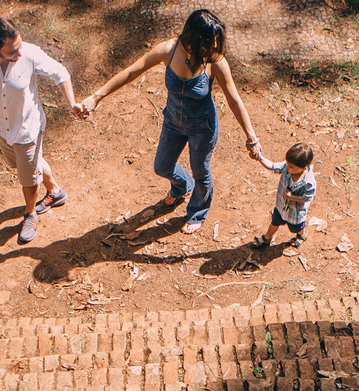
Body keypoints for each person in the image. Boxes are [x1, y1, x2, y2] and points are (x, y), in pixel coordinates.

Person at [81, 9, 262, 234]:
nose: (214, 50)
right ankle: (182, 185)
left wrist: (251, 137)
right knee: (162, 166)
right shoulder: (168, 49)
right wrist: (96, 97)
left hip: (202, 127)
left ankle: (198, 211)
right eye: (209, 44)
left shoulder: (215, 63)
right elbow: (131, 72)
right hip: (173, 122)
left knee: (201, 171)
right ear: (194, 40)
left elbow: (234, 100)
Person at [0, 17, 85, 244]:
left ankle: (30, 215)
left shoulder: (28, 53)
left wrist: (72, 104)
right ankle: (55, 191)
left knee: (28, 180)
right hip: (2, 130)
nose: (19, 54)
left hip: (28, 129)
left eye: (19, 47)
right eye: (11, 52)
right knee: (26, 164)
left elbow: (60, 73)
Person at [252, 143, 316, 249]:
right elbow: (272, 166)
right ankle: (267, 238)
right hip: (281, 207)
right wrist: (260, 157)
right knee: (274, 222)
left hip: (295, 213)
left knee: (296, 228)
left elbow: (308, 197)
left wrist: (291, 197)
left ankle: (301, 235)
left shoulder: (308, 182)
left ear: (303, 168)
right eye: (287, 164)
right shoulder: (287, 167)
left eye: (291, 167)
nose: (287, 167)